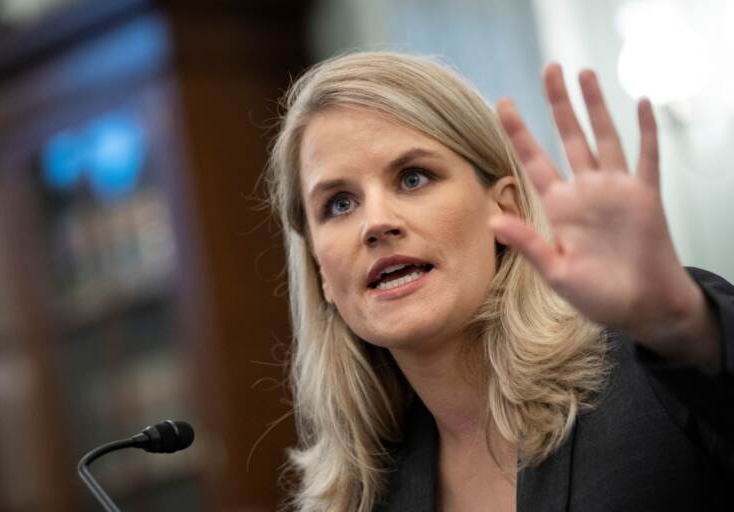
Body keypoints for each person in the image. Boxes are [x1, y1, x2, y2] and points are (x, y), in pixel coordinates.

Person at [265, 51, 733, 512]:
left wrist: (680, 323)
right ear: (320, 271)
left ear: (504, 206)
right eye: (340, 204)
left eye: (412, 178)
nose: (376, 222)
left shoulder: (666, 358)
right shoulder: (365, 497)